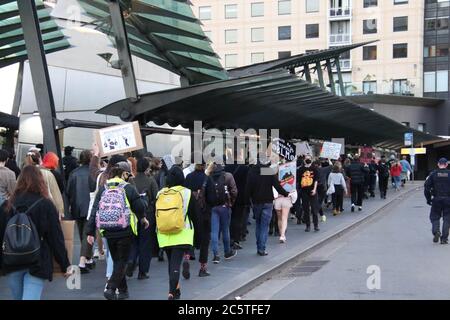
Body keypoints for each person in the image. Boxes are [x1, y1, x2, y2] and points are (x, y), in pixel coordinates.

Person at [0, 165, 71, 300]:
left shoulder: (7, 205)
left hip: (11, 261)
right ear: (40, 181)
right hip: (37, 260)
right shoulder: (46, 204)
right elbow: (56, 237)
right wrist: (65, 264)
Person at [87, 161, 148, 300]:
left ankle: (123, 291)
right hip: (124, 229)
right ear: (124, 174)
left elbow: (95, 209)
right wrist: (143, 217)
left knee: (116, 260)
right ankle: (111, 288)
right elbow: (139, 207)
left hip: (107, 230)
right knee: (122, 261)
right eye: (128, 174)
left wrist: (90, 231)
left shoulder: (103, 188)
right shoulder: (128, 188)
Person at [156, 166, 199, 300]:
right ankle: (171, 292)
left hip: (164, 234)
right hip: (181, 233)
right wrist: (198, 237)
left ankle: (176, 290)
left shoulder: (160, 193)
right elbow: (195, 215)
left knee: (171, 263)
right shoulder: (187, 192)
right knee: (175, 264)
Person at [246, 156, 289, 255]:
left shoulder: (252, 171)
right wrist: (286, 193)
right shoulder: (268, 171)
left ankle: (258, 246)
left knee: (258, 224)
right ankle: (262, 248)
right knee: (264, 226)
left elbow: (248, 188)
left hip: (256, 202)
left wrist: (247, 200)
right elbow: (277, 185)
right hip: (268, 201)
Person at [126, 158, 159, 280]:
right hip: (147, 214)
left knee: (134, 240)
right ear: (146, 168)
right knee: (145, 243)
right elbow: (156, 198)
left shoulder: (131, 181)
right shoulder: (151, 181)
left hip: (133, 214)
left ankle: (131, 260)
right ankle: (143, 271)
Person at [66, 150, 96, 274]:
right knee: (88, 233)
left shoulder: (74, 173)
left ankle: (87, 258)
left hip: (77, 206)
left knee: (82, 232)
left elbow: (68, 191)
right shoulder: (93, 173)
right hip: (90, 206)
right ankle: (83, 261)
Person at [184, 160, 216, 277]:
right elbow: (212, 199)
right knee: (204, 242)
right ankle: (202, 268)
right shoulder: (208, 179)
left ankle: (186, 258)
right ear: (204, 165)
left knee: (189, 238)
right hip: (204, 214)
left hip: (190, 215)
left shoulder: (188, 177)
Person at [209, 163, 238, 263]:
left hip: (213, 207)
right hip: (225, 206)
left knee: (214, 231)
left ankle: (216, 255)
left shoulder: (209, 177)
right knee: (225, 230)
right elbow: (234, 191)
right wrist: (230, 203)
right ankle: (227, 252)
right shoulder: (228, 176)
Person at [25, 150, 64, 218]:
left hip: (26, 207)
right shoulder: (49, 174)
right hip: (44, 207)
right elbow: (57, 193)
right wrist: (60, 209)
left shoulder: (24, 173)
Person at [225, 161, 250, 250]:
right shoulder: (245, 168)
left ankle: (229, 237)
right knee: (238, 218)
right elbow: (248, 183)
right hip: (241, 196)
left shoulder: (227, 167)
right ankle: (236, 238)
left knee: (229, 218)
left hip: (228, 196)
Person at [424, 158, 450, 244]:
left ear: (438, 164)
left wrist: (428, 199)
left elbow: (427, 188)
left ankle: (436, 231)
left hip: (436, 199)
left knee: (434, 217)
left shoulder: (433, 174)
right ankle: (444, 239)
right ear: (446, 164)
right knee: (447, 218)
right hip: (448, 199)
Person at [298, 155, 320, 232]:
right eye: (307, 158)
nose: (308, 159)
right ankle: (308, 225)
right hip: (304, 191)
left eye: (309, 158)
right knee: (306, 209)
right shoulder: (301, 169)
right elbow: (298, 180)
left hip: (312, 191)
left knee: (314, 209)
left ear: (311, 159)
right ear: (304, 160)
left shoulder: (315, 169)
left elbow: (316, 180)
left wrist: (314, 189)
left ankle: (316, 225)